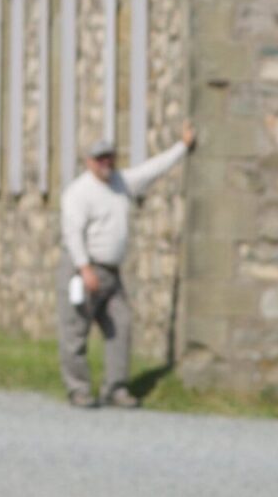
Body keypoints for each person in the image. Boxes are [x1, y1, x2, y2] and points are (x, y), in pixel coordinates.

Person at [57, 124, 194, 408]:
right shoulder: (78, 192)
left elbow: (152, 169)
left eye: (109, 156)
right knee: (75, 331)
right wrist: (84, 269)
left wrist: (182, 147)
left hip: (111, 271)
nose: (106, 162)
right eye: (100, 158)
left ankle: (115, 387)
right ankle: (79, 389)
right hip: (84, 269)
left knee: (121, 326)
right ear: (89, 162)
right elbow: (72, 233)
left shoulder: (121, 182)